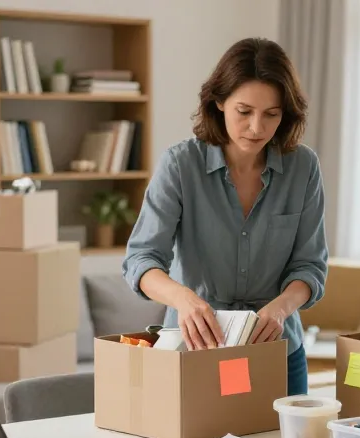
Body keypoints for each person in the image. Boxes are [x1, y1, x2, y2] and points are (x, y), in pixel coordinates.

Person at [122, 37, 329, 397]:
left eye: (272, 114)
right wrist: (183, 299)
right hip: (195, 350)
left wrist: (280, 309)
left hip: (276, 350)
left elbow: (310, 267)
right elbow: (140, 260)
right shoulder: (180, 165)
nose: (256, 128)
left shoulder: (304, 167)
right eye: (244, 111)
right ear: (219, 102)